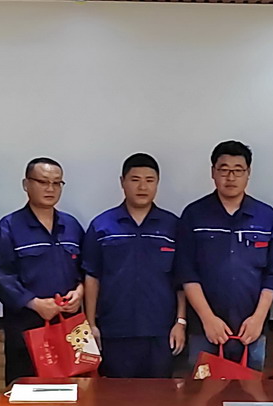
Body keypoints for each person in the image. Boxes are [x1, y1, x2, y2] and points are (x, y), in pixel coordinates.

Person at [175, 140, 273, 371]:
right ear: (213, 172)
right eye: (224, 170)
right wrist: (208, 318)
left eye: (238, 170)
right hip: (205, 330)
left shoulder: (265, 216)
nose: (230, 177)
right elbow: (187, 272)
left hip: (251, 330)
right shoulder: (194, 215)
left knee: (251, 390)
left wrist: (258, 318)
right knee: (203, 390)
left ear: (248, 173)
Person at [82, 153, 186, 378]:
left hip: (161, 331)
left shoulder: (172, 226)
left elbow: (182, 280)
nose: (142, 187)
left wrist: (180, 322)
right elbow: (92, 277)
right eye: (135, 179)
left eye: (149, 180)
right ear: (122, 182)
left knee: (159, 394)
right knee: (117, 394)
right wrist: (91, 324)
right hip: (115, 331)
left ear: (157, 183)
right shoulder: (102, 226)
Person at [0, 157, 84, 385]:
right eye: (43, 182)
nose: (50, 188)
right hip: (26, 329)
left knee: (73, 391)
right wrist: (33, 303)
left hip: (69, 328)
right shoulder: (9, 226)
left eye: (56, 183)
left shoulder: (71, 226)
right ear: (26, 184)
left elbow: (86, 270)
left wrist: (80, 293)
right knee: (26, 391)